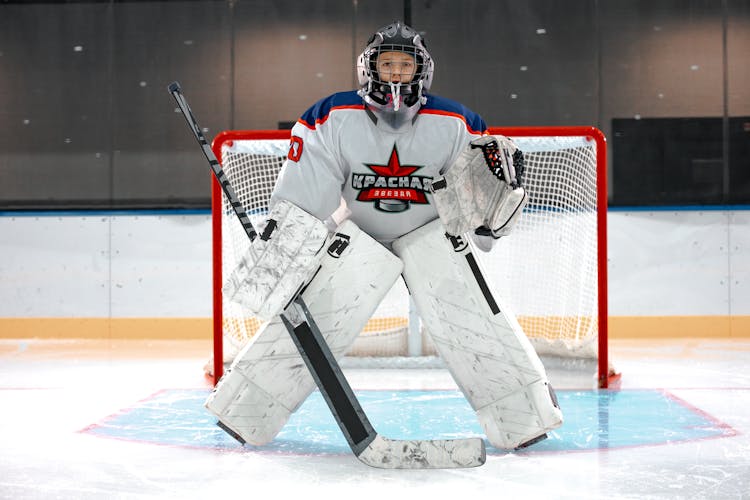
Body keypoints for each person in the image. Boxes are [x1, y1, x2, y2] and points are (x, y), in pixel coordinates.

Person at [206, 21, 563, 451]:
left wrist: (492, 214)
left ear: (422, 72)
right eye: (387, 63)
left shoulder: (457, 122)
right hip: (360, 240)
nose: (396, 74)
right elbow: (304, 198)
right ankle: (243, 411)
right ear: (368, 68)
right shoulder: (330, 116)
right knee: (311, 321)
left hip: (432, 236)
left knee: (474, 322)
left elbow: (477, 210)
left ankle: (524, 417)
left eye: (405, 65)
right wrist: (282, 255)